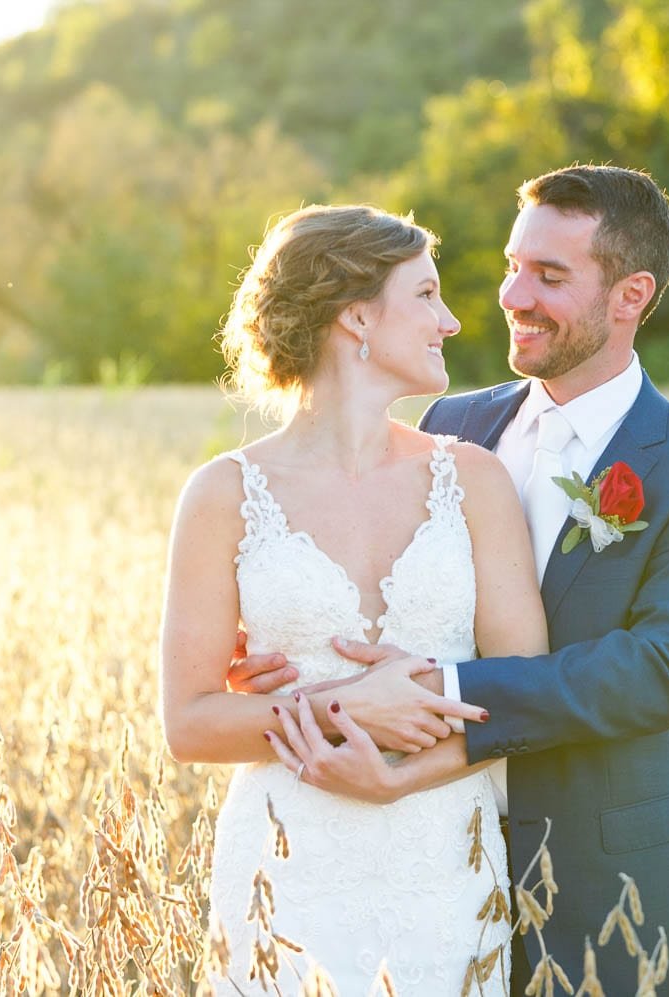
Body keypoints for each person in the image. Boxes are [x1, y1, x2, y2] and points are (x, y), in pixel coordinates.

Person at [238, 166, 669, 995]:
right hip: (434, 859)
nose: (513, 295)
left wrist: (437, 688)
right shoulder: (453, 424)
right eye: (511, 265)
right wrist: (284, 650)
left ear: (631, 294)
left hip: (613, 878)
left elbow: (660, 672)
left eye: (550, 277)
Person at [159, 204, 549, 992]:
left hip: (445, 857)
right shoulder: (223, 493)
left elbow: (526, 695)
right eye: (427, 295)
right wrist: (346, 705)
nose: (451, 319)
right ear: (357, 315)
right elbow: (190, 722)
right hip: (286, 858)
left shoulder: (473, 478)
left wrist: (402, 766)